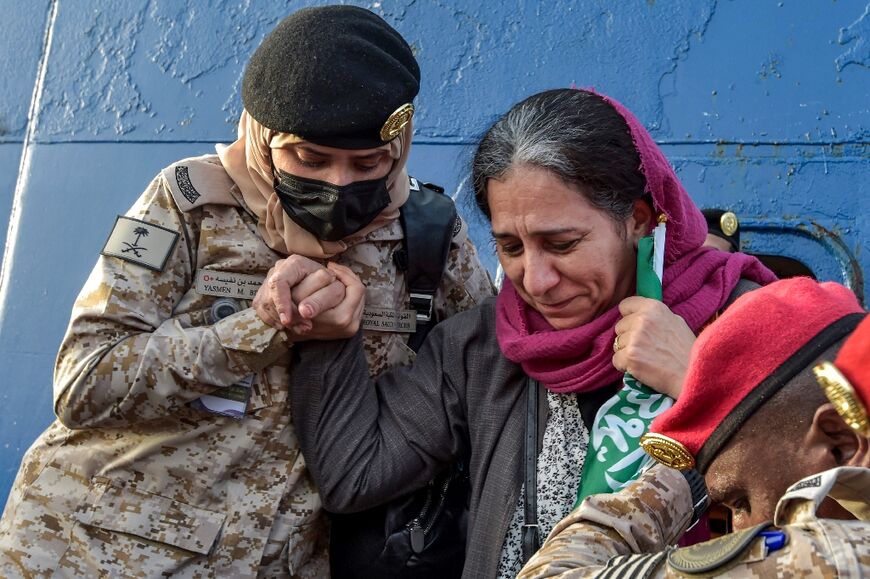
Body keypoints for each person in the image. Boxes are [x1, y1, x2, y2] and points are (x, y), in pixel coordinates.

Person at [0, 6, 493, 578]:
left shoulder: (428, 233)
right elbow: (83, 382)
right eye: (310, 158)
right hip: (96, 552)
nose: (339, 185)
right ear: (264, 138)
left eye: (368, 163)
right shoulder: (185, 203)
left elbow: (491, 360)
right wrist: (264, 329)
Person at [287, 88, 776, 578]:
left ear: (638, 220)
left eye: (561, 244)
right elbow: (356, 473)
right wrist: (328, 332)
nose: (536, 280)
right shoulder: (481, 346)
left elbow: (829, 496)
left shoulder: (744, 321)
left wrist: (697, 382)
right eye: (511, 247)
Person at [518, 277, 869, 578]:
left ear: (841, 443)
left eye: (740, 501)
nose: (740, 528)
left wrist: (681, 477)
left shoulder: (830, 557)